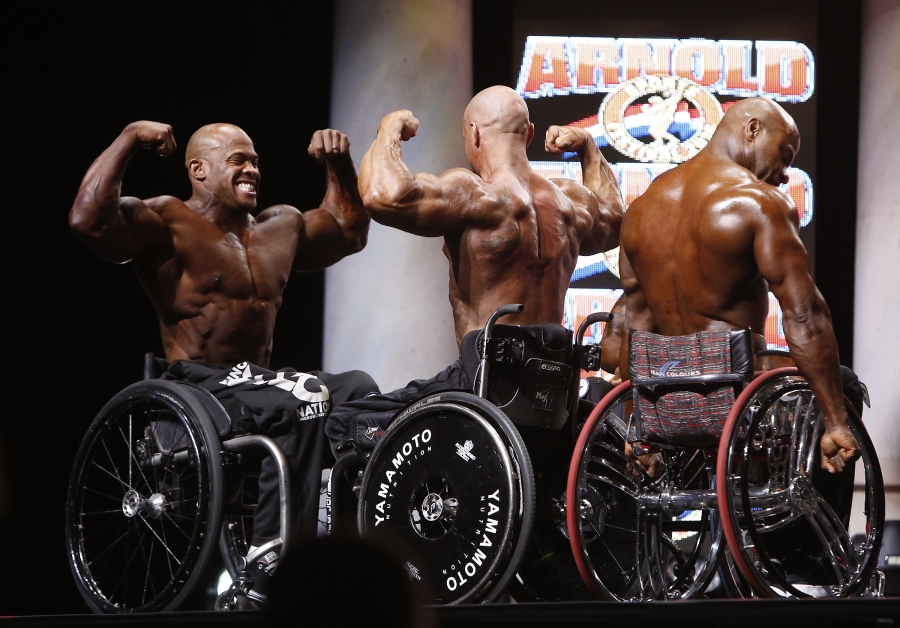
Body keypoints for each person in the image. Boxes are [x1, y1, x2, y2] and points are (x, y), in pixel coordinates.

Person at [69, 121, 377, 603]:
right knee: (304, 398)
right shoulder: (168, 221)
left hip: (259, 383)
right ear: (199, 170)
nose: (252, 169)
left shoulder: (281, 226)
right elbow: (88, 219)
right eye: (238, 160)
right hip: (196, 386)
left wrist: (338, 165)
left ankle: (351, 540)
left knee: (358, 389)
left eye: (254, 161)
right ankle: (271, 556)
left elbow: (348, 231)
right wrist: (129, 138)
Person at [326, 85, 624, 458]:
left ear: (474, 133)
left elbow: (382, 195)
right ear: (529, 135)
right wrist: (588, 149)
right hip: (551, 391)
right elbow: (616, 220)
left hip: (484, 386)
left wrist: (388, 128)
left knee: (346, 421)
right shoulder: (570, 204)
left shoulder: (477, 193)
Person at [617, 97, 859, 474]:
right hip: (737, 402)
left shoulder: (640, 210)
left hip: (667, 404)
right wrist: (835, 422)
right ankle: (815, 504)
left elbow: (636, 329)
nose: (784, 175)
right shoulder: (759, 203)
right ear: (752, 129)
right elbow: (805, 315)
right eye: (785, 156)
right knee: (845, 384)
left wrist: (639, 432)